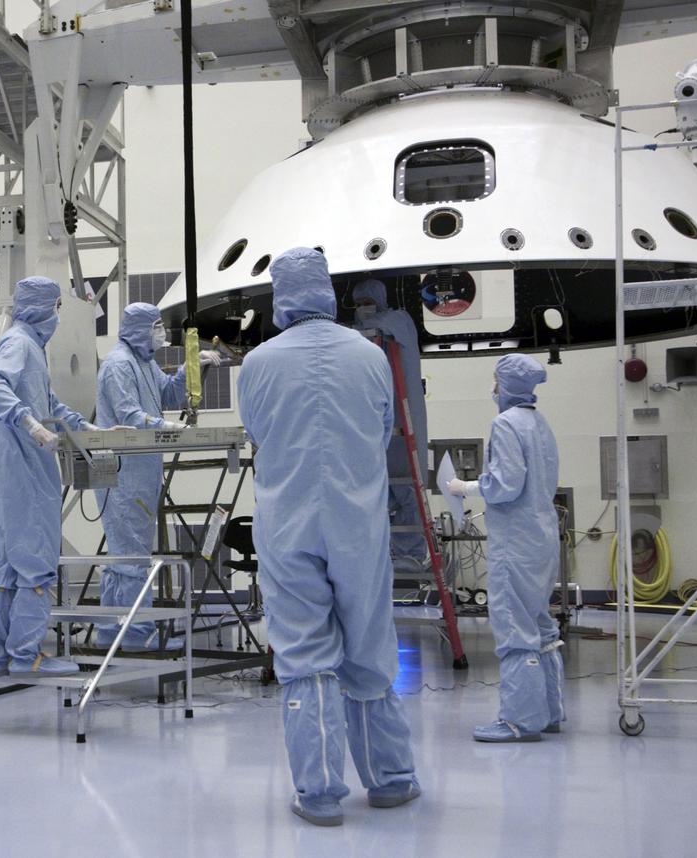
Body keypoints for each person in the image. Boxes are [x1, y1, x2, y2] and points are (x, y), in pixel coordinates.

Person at [237, 248, 420, 827]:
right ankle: (390, 780)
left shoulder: (259, 363)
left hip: (287, 519)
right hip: (356, 520)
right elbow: (384, 425)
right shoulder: (368, 356)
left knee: (303, 653)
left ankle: (317, 792)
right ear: (329, 292)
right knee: (367, 645)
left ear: (280, 295)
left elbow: (256, 430)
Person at [0, 276, 93, 677]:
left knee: (5, 568)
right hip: (23, 468)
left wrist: (85, 429)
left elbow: (48, 402)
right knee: (34, 565)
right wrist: (32, 427)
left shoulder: (30, 348)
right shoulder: (21, 343)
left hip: (6, 469)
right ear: (46, 307)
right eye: (58, 305)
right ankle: (26, 657)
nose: (59, 315)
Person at [448, 354, 564, 742]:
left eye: (496, 381)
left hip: (515, 542)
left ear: (507, 385)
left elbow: (506, 485)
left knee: (515, 627)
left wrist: (466, 488)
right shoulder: (540, 423)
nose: (493, 389)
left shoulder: (506, 424)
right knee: (541, 625)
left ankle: (521, 719)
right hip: (542, 538)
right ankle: (549, 712)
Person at [93, 303, 221, 651]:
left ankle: (111, 631)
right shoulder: (119, 364)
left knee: (126, 553)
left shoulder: (144, 362)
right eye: (155, 326)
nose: (160, 332)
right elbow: (129, 416)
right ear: (137, 328)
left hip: (140, 470)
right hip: (121, 473)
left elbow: (167, 393)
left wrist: (190, 367)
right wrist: (166, 427)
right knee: (131, 554)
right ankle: (134, 637)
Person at [351, 280, 429, 569]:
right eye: (358, 305)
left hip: (403, 416)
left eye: (368, 302)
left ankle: (410, 552)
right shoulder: (362, 335)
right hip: (374, 423)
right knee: (375, 492)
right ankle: (382, 553)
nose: (363, 310)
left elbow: (380, 327)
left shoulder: (399, 320)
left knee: (407, 488)